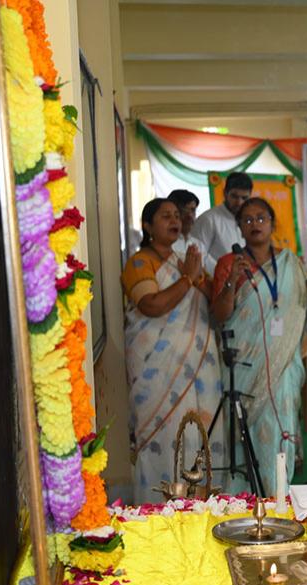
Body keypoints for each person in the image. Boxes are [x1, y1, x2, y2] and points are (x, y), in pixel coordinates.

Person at [121, 198, 223, 503]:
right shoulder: (139, 263)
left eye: (177, 215)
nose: (174, 220)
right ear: (148, 226)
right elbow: (151, 305)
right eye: (165, 216)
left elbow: (210, 304)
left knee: (197, 434)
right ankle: (155, 507)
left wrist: (201, 276)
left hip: (197, 370)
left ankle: (198, 505)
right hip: (156, 371)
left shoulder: (183, 260)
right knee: (161, 437)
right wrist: (188, 278)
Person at [211, 197, 307, 494]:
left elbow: (300, 309)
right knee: (244, 432)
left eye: (261, 218)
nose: (255, 224)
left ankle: (278, 495)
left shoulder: (291, 262)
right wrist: (233, 281)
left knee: (280, 429)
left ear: (272, 224)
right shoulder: (228, 263)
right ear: (239, 227)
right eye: (248, 220)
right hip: (244, 365)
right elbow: (221, 314)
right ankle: (244, 504)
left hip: (284, 365)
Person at [193, 172, 252, 273]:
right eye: (234, 196)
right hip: (217, 282)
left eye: (244, 198)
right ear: (225, 193)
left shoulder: (249, 221)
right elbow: (198, 256)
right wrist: (222, 274)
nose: (239, 202)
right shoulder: (208, 219)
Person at [168, 189, 209, 267]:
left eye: (193, 210)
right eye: (183, 211)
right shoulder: (164, 244)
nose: (190, 215)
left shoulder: (198, 245)